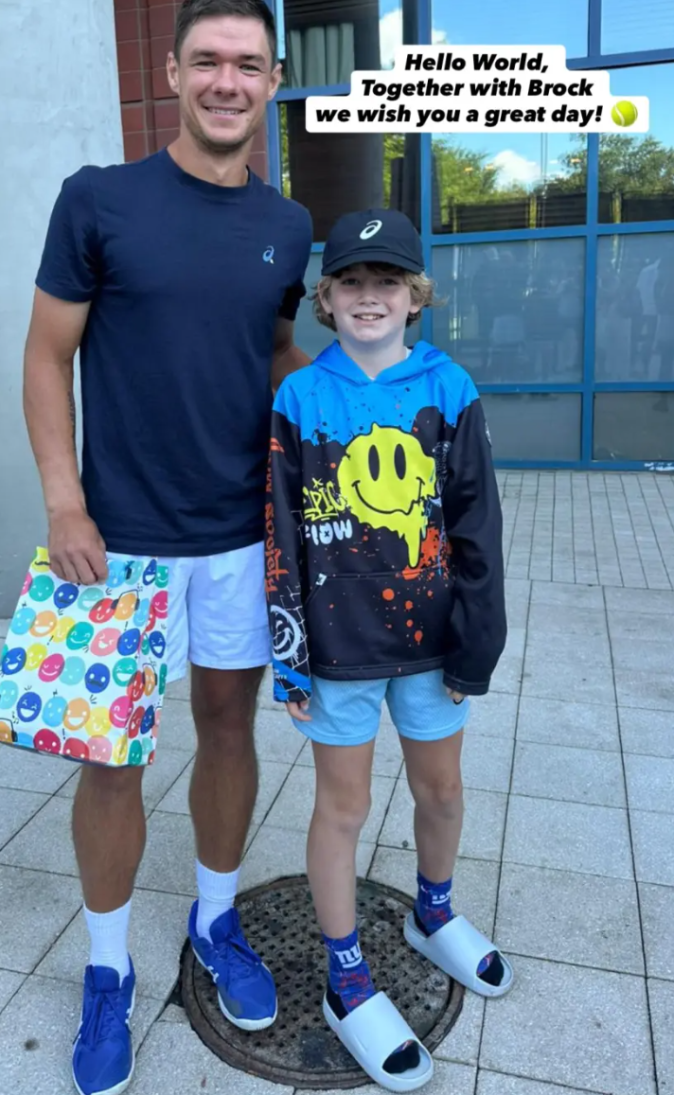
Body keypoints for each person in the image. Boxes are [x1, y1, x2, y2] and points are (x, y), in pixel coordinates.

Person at [23, 0, 312, 1095]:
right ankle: (106, 971)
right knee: (112, 756)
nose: (226, 81)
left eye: (246, 63)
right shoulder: (98, 200)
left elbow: (271, 352)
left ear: (272, 82)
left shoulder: (286, 226)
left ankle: (213, 919)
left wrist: (362, 405)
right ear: (173, 73)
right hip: (117, 539)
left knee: (229, 726)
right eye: (207, 60)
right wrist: (62, 498)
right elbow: (47, 356)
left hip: (242, 536)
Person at [265, 209, 511, 1092]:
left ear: (416, 296)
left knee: (441, 787)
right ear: (326, 298)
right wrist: (288, 649)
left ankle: (433, 914)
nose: (370, 296)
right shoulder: (300, 397)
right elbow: (281, 529)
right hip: (338, 650)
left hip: (432, 642)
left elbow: (477, 522)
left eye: (388, 281)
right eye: (352, 282)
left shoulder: (450, 387)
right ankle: (346, 974)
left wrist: (478, 640)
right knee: (344, 807)